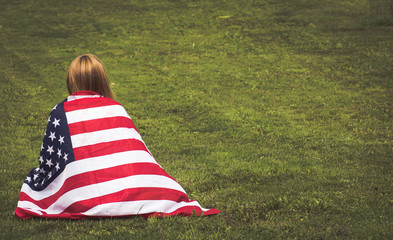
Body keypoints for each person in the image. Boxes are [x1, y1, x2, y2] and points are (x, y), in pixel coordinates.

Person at [15, 54, 220, 219]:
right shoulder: (116, 108)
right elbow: (136, 155)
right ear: (101, 80)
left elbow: (49, 163)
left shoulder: (61, 112)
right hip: (130, 189)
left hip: (79, 195)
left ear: (71, 80)